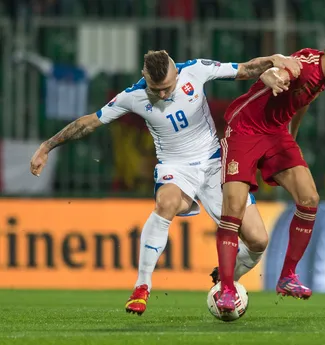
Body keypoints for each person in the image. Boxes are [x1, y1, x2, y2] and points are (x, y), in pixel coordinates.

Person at [29, 49, 302, 315]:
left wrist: (273, 60)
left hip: (215, 162)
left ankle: (226, 281)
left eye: (168, 87)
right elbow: (89, 123)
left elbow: (245, 69)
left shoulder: (195, 70)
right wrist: (48, 145)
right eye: (156, 89)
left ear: (175, 70)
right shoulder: (132, 96)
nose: (163, 94)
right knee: (166, 202)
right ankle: (142, 286)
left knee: (258, 241)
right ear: (144, 77)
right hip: (175, 168)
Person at [214, 26, 325, 312]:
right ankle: (227, 289)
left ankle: (287, 277)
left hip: (275, 133)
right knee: (233, 208)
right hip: (245, 128)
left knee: (310, 199)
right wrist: (273, 76)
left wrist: (291, 136)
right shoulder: (303, 68)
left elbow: (304, 101)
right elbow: (279, 72)